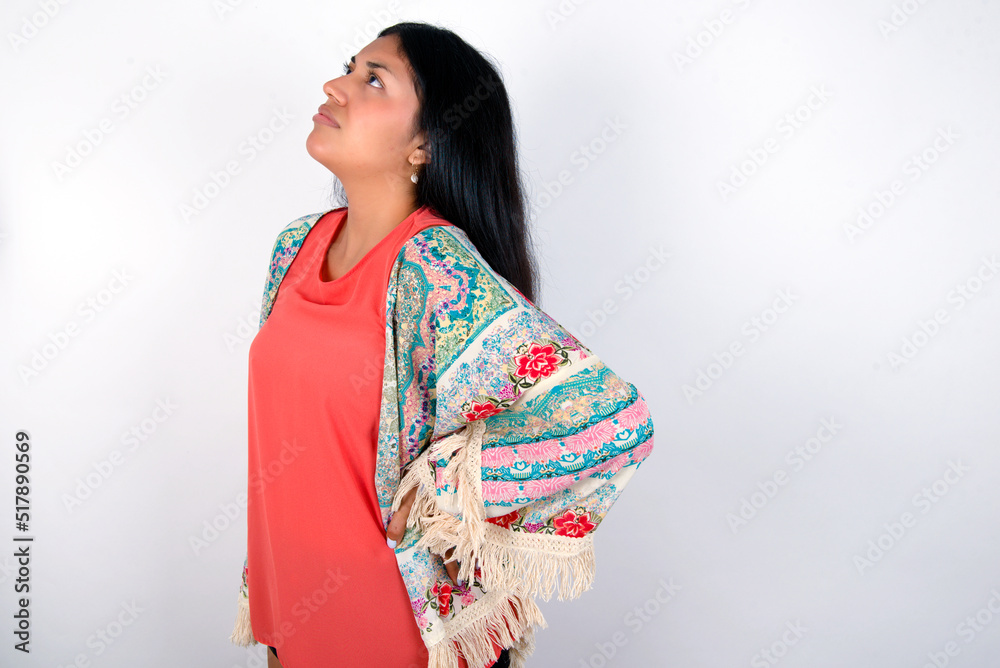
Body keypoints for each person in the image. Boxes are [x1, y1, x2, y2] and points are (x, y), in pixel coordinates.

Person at [229, 21, 655, 668]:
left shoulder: (432, 265)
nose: (335, 86)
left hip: (394, 635)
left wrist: (450, 486)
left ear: (425, 143)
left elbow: (613, 417)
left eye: (373, 79)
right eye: (349, 67)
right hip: (295, 627)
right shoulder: (295, 248)